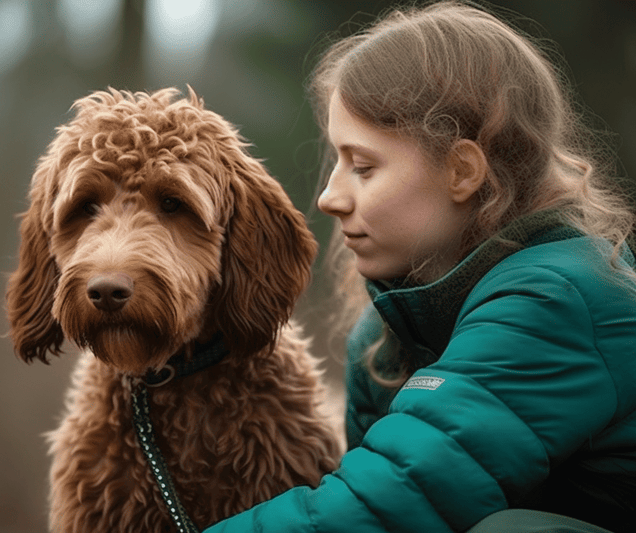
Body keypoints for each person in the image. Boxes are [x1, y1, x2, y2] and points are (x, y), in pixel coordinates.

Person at [203, 1, 636, 532]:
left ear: (462, 171)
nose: (329, 197)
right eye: (336, 161)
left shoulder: (560, 298)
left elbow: (383, 506)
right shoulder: (385, 340)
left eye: (362, 166)